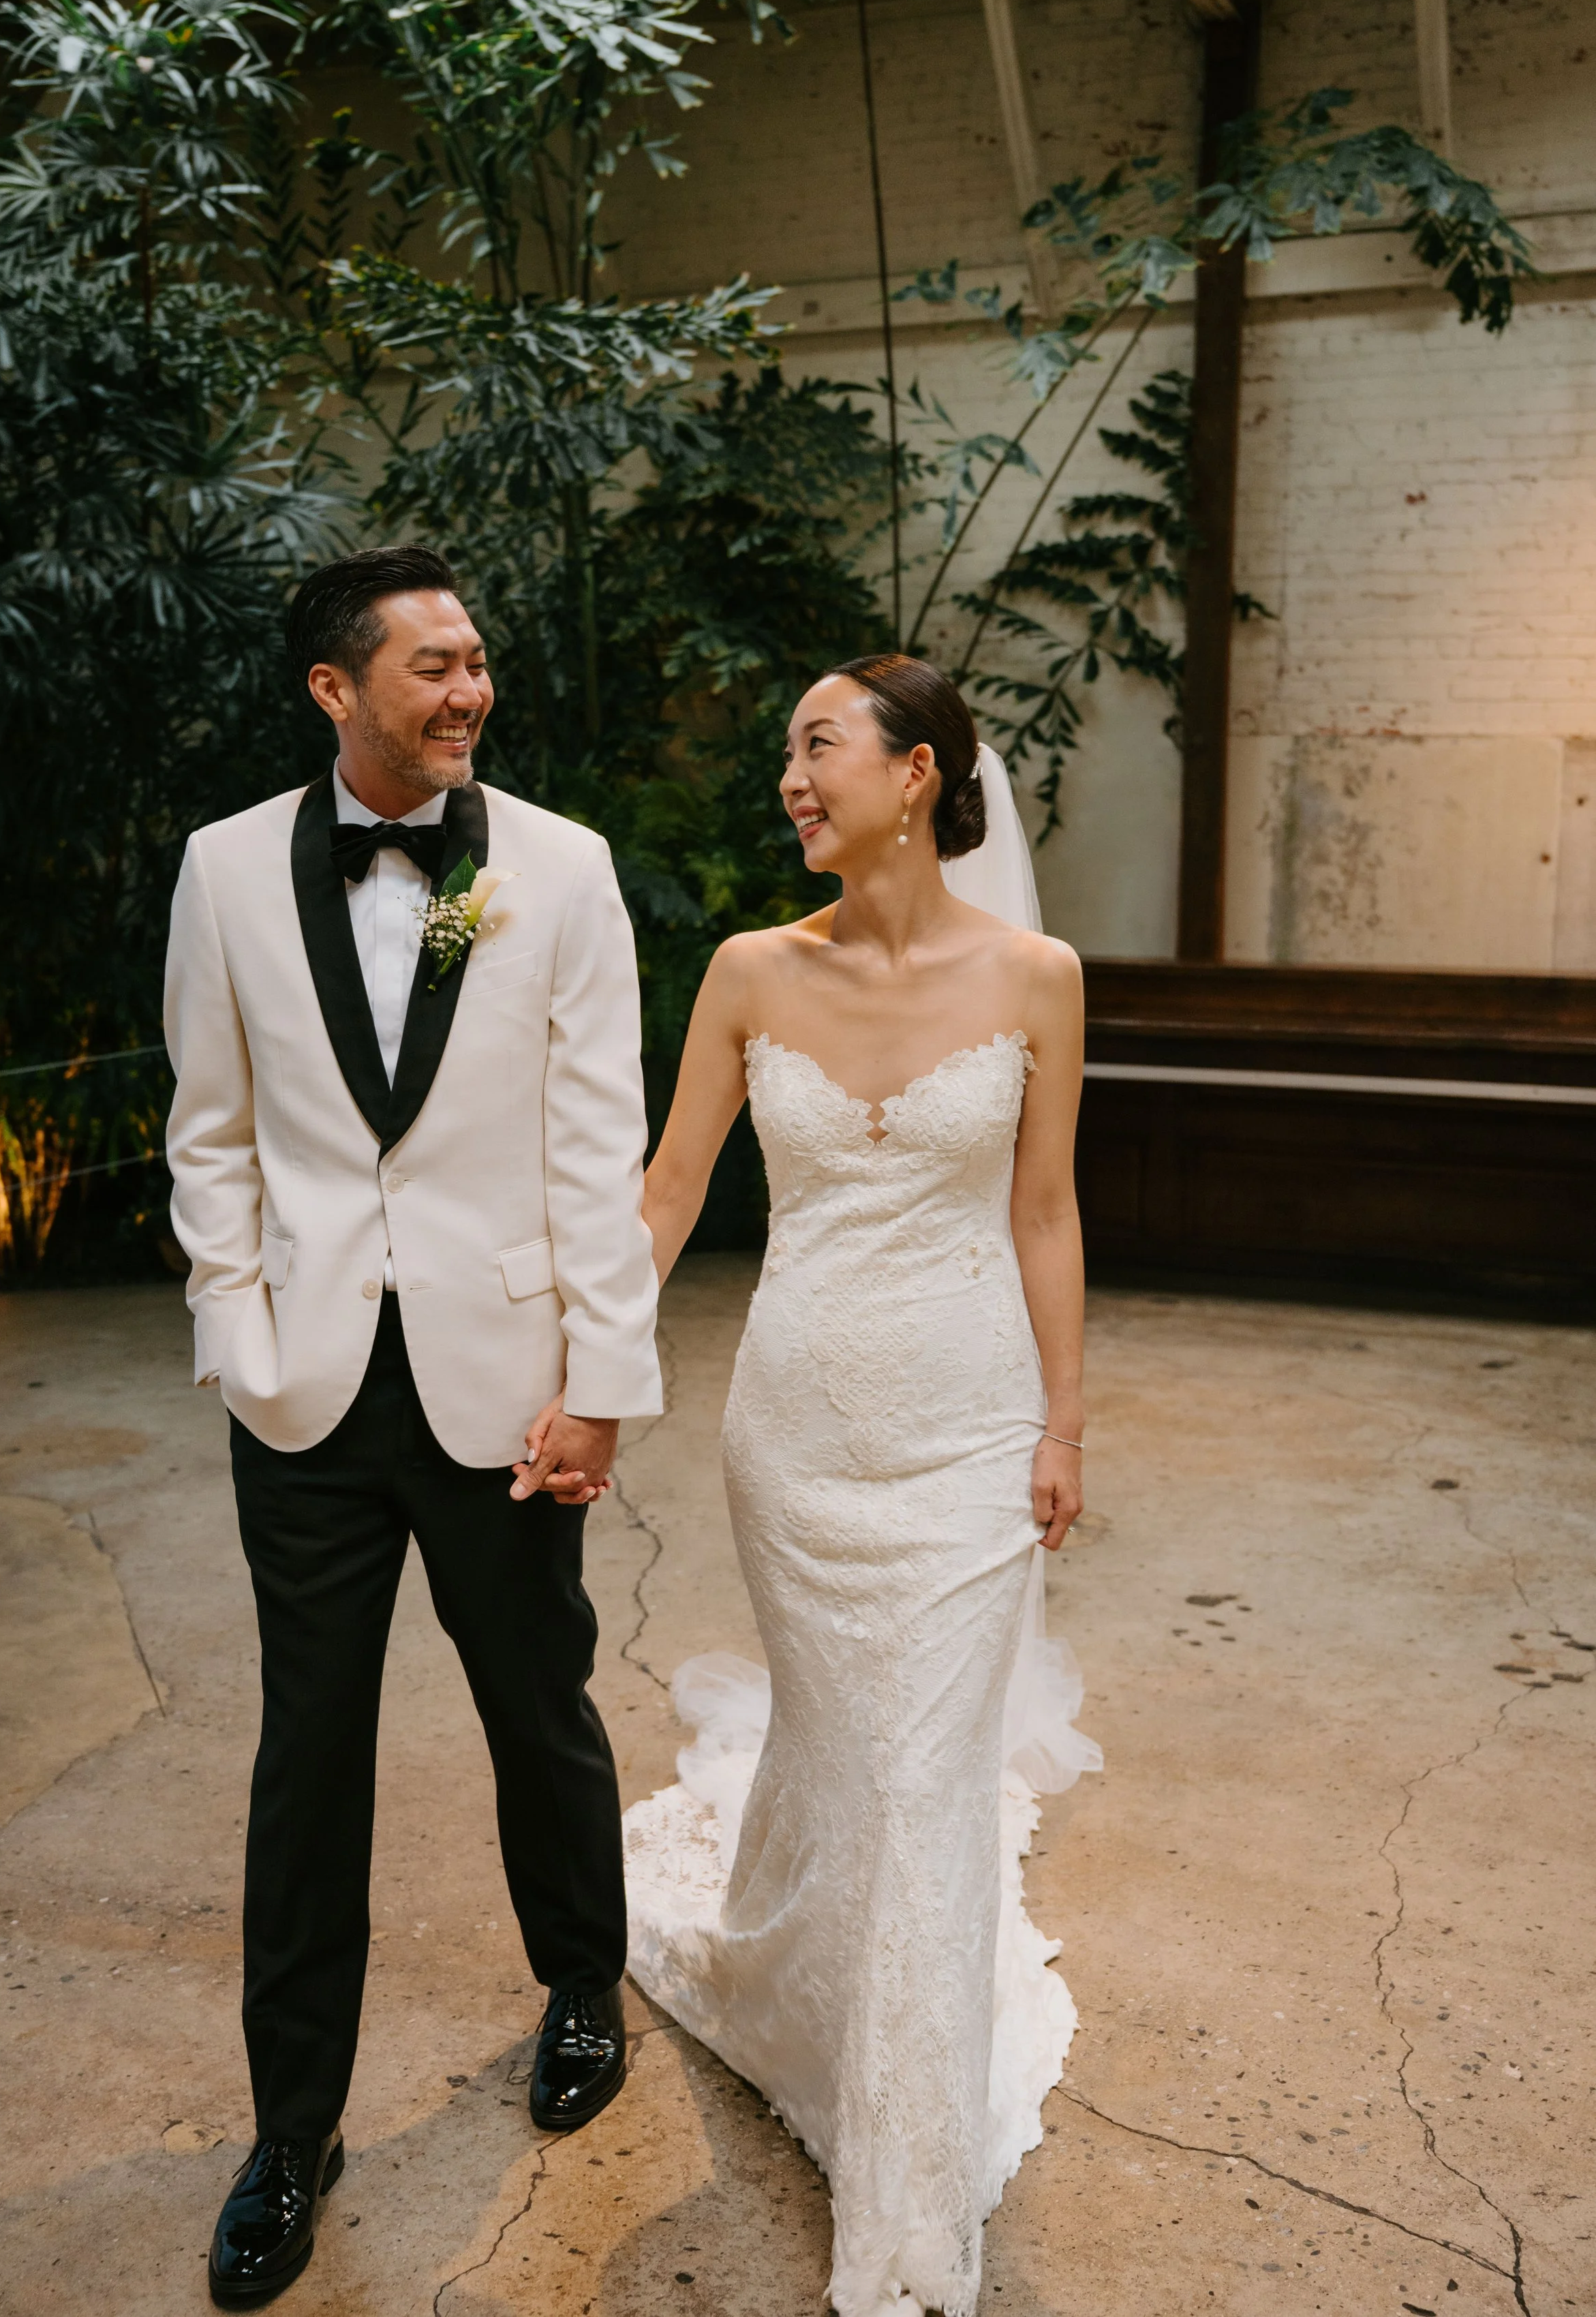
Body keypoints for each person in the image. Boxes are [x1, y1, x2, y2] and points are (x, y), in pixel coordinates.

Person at [163, 545, 662, 2307]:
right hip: (304, 1394)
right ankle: (291, 2128)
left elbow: (600, 1139)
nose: (471, 690)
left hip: (503, 1382)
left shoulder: (562, 869)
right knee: (308, 1759)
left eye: (478, 660)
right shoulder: (223, 868)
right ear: (335, 687)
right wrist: (239, 1332)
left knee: (538, 1698)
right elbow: (209, 1127)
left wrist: (600, 1379)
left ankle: (583, 1979)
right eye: (434, 665)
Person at [624, 654, 1101, 2317]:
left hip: (969, 1434)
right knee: (849, 1752)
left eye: (816, 746)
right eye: (784, 755)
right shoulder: (750, 970)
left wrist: (1061, 1424)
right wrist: (585, 1378)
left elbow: (1042, 1211)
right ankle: (781, 1965)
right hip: (797, 1432)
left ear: (919, 776)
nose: (788, 779)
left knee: (923, 1785)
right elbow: (671, 1187)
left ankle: (901, 2229)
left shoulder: (1039, 977)